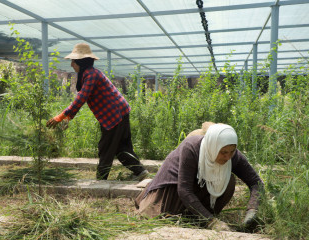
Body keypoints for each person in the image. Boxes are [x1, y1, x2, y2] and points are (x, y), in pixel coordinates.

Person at [46, 42, 148, 181]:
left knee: (105, 147)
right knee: (121, 147)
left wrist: (62, 115)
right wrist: (68, 117)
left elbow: (81, 97)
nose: (71, 65)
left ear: (80, 62)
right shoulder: (88, 74)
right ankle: (140, 172)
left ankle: (101, 180)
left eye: (73, 61)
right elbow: (83, 97)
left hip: (114, 114)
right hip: (118, 112)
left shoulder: (91, 75)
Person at [135, 123, 264, 231]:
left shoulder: (233, 155)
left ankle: (199, 217)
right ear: (213, 147)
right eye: (223, 152)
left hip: (198, 189)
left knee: (229, 181)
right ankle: (203, 218)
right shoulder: (191, 148)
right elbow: (184, 190)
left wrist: (252, 210)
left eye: (231, 152)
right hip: (172, 191)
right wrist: (211, 222)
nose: (227, 157)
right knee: (165, 217)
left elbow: (256, 182)